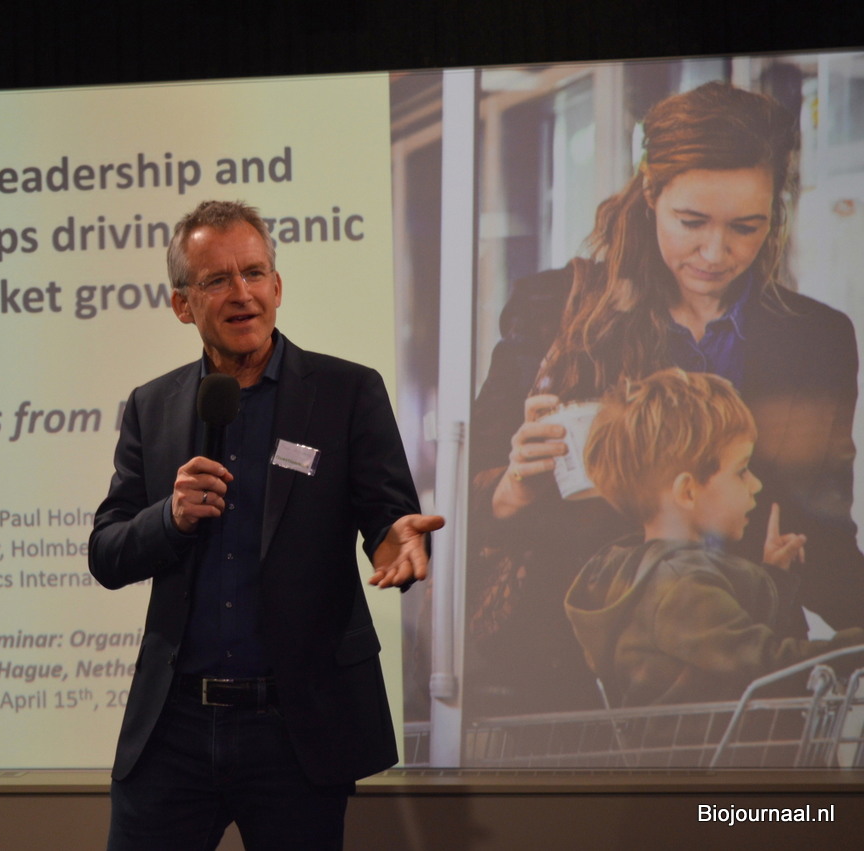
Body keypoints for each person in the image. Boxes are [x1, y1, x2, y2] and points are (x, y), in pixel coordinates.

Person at [467, 80, 864, 718]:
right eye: (691, 222)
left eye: (747, 226)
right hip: (569, 688)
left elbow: (821, 534)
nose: (716, 252)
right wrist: (514, 485)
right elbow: (463, 507)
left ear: (777, 213)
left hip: (742, 695)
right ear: (650, 192)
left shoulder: (816, 339)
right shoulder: (557, 312)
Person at [89, 199, 443, 849]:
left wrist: (395, 537)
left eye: (253, 273)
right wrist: (169, 518)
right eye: (216, 280)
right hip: (175, 729)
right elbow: (107, 553)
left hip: (295, 727)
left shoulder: (346, 392)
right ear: (182, 305)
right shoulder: (152, 406)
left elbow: (387, 515)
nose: (241, 293)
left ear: (277, 287)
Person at [565, 369, 864, 707]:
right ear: (688, 491)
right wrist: (855, 648)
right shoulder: (680, 585)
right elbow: (765, 666)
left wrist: (774, 577)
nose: (756, 485)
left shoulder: (653, 574)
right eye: (742, 471)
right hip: (713, 742)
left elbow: (731, 647)